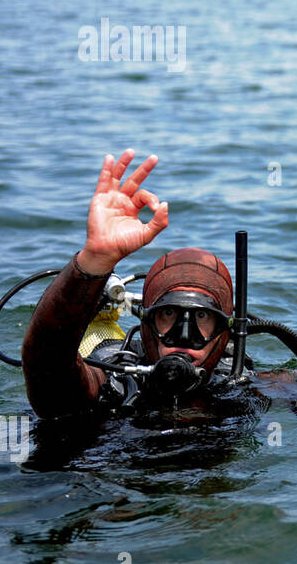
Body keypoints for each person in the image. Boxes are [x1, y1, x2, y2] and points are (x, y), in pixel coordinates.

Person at [22, 149, 251, 419]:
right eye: (168, 314)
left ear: (225, 330)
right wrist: (95, 260)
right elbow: (47, 366)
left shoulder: (242, 388)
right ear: (145, 322)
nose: (184, 337)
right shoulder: (119, 384)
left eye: (202, 316)